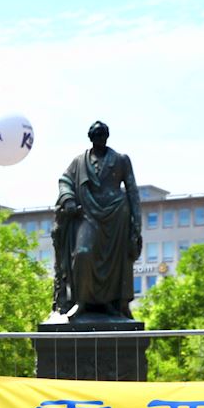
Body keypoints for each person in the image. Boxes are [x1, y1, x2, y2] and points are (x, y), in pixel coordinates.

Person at [52, 121, 142, 319]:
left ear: (107, 137)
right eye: (96, 135)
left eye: (103, 135)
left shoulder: (121, 160)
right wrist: (68, 200)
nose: (100, 139)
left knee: (116, 263)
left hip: (116, 216)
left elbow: (132, 191)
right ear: (91, 138)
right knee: (82, 253)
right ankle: (81, 301)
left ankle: (111, 304)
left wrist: (137, 225)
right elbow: (65, 181)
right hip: (88, 214)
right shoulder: (79, 161)